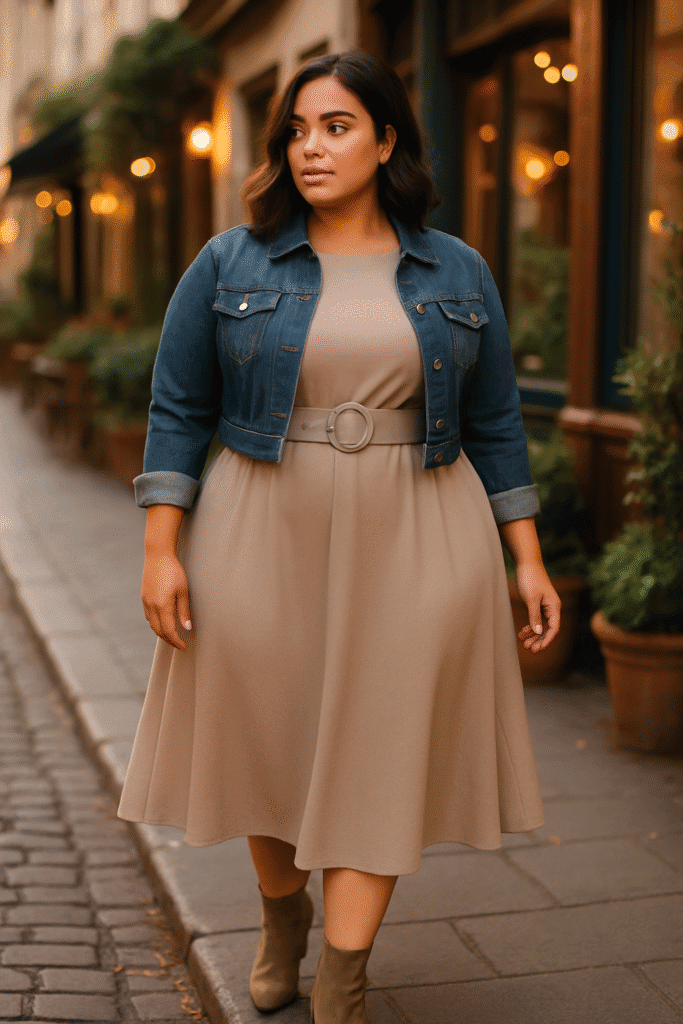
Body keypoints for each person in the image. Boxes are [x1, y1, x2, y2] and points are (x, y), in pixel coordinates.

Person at [117, 49, 560, 1024]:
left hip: (418, 526)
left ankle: (341, 980)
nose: (310, 148)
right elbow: (178, 407)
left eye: (336, 126)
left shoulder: (457, 270)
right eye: (296, 130)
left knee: (380, 745)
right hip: (256, 522)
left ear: (385, 138)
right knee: (270, 740)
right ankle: (284, 915)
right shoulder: (230, 261)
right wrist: (160, 548)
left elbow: (493, 423)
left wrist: (524, 557)